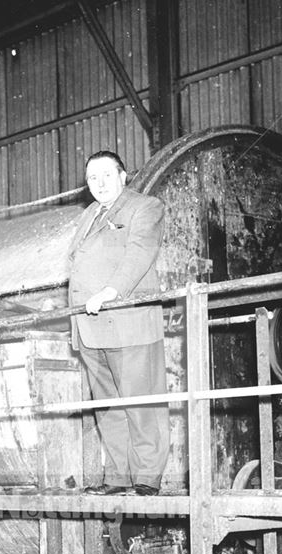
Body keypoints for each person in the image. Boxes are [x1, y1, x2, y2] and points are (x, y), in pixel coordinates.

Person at [67, 150, 170, 496]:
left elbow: (140, 252)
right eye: (92, 178)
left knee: (141, 402)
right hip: (90, 325)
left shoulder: (145, 207)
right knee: (107, 406)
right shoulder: (88, 216)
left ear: (123, 176)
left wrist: (111, 291)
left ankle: (146, 476)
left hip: (128, 320)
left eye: (106, 175)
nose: (99, 183)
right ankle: (119, 475)